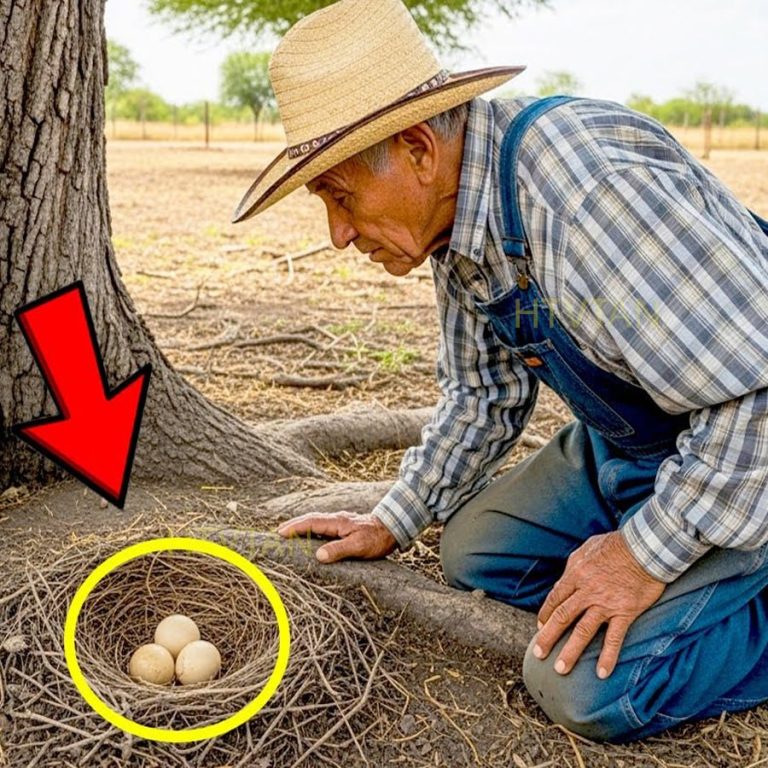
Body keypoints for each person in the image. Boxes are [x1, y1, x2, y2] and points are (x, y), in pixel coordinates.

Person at [232, 0, 768, 743]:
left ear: (419, 148)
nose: (338, 234)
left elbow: (756, 396)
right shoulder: (457, 218)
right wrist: (396, 515)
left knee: (585, 689)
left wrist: (643, 555)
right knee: (474, 549)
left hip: (745, 451)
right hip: (651, 449)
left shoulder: (586, 193)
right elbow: (483, 396)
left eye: (342, 196)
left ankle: (721, 588)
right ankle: (677, 565)